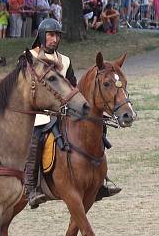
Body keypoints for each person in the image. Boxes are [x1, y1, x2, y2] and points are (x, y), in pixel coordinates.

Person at [23, 18, 121, 208]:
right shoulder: (30, 57)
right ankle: (31, 187)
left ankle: (99, 181)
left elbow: (73, 86)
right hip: (40, 112)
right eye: (51, 35)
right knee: (37, 138)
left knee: (96, 126)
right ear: (42, 36)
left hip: (64, 112)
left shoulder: (65, 60)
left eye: (57, 35)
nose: (54, 39)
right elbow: (24, 87)